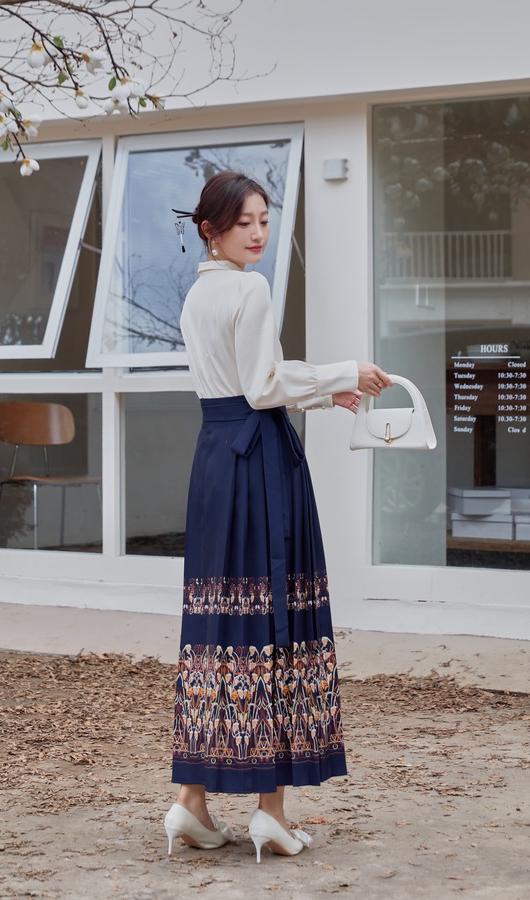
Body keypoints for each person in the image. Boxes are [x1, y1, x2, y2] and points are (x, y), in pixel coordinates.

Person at [165, 171, 392, 863]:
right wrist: (345, 373)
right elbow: (264, 385)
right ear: (211, 229)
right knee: (276, 622)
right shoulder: (251, 289)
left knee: (218, 628)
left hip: (215, 461)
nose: (259, 233)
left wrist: (322, 394)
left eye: (264, 219)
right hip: (260, 464)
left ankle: (191, 801)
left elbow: (244, 383)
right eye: (245, 222)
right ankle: (270, 812)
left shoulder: (198, 294)